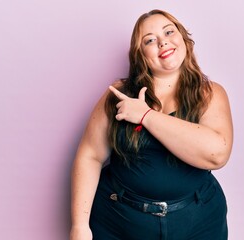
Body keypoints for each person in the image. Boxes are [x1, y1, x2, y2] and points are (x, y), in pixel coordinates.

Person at [70, 9, 233, 240]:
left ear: (183, 39)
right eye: (150, 40)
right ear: (140, 55)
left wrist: (146, 116)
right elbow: (90, 155)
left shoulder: (210, 93)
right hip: (119, 220)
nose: (162, 41)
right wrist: (79, 227)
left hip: (197, 222)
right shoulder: (120, 94)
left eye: (169, 32)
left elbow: (217, 154)